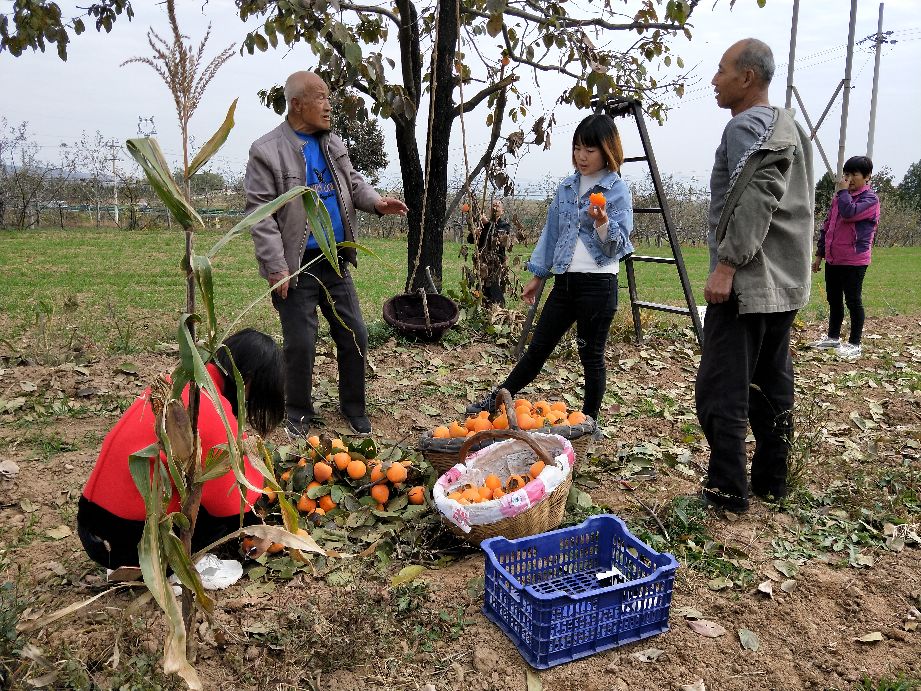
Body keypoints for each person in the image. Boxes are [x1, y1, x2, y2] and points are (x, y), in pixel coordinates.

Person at [244, 70, 408, 436]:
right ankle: (298, 412)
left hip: (334, 259)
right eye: (321, 97)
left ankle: (354, 407)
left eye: (329, 97)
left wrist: (377, 203)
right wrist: (275, 267)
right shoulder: (267, 151)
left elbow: (353, 182)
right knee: (300, 343)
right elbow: (261, 215)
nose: (329, 105)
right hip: (295, 266)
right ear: (296, 104)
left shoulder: (332, 142)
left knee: (355, 334)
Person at [695, 38, 814, 513]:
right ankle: (771, 483)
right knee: (770, 387)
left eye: (722, 70)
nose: (714, 80)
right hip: (783, 283)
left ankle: (727, 492)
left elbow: (758, 191)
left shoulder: (746, 125)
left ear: (747, 77)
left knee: (721, 392)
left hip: (746, 284)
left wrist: (727, 264)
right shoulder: (789, 126)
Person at [466, 113, 633, 422]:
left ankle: (590, 421)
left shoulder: (617, 190)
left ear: (607, 150)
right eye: (577, 148)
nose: (582, 156)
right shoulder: (567, 187)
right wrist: (538, 275)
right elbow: (552, 235)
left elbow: (617, 246)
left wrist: (602, 221)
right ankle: (495, 402)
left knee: (591, 356)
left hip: (599, 287)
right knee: (538, 349)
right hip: (565, 284)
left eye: (590, 150)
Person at [77, 329, 285, 570]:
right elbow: (231, 503)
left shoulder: (177, 382)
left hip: (91, 522)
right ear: (247, 381)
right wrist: (259, 522)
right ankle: (171, 566)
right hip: (128, 542)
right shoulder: (208, 408)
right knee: (221, 521)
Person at [810, 156, 880, 360]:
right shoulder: (840, 198)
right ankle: (833, 337)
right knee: (834, 299)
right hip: (834, 259)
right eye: (846, 174)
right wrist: (820, 255)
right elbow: (827, 227)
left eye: (854, 174)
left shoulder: (870, 200)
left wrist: (842, 193)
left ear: (867, 177)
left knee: (853, 300)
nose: (848, 178)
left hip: (854, 260)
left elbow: (850, 213)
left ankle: (855, 343)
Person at [468, 199, 513, 306]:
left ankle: (498, 307)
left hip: (496, 263)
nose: (495, 208)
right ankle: (483, 307)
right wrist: (474, 233)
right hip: (483, 262)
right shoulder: (482, 225)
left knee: (494, 285)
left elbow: (497, 237)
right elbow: (470, 240)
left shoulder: (504, 225)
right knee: (482, 285)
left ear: (502, 211)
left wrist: (487, 224)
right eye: (493, 206)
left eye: (497, 206)